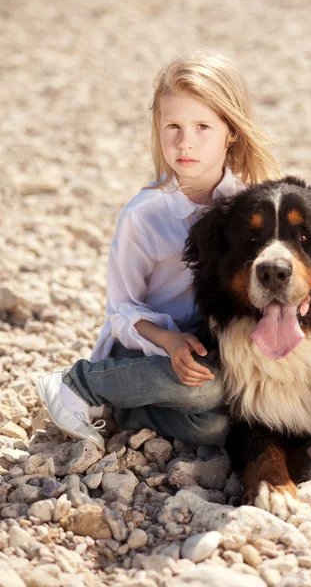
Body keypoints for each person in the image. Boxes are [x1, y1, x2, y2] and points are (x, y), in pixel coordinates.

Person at [36, 50, 280, 451]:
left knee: (220, 428)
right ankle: (79, 382)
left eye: (203, 126)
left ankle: (124, 409)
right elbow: (121, 311)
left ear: (231, 131)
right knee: (206, 392)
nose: (186, 142)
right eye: (173, 126)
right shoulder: (143, 216)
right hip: (143, 345)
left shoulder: (251, 204)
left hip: (211, 344)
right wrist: (168, 342)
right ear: (158, 128)